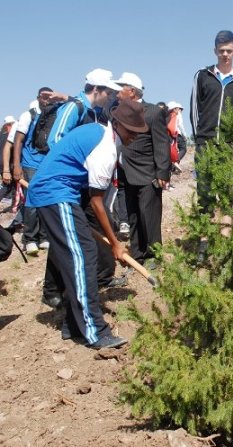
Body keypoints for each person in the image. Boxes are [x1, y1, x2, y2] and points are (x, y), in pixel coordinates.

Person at [26, 100, 148, 349]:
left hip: (61, 192)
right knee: (82, 257)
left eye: (139, 132)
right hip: (56, 193)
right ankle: (95, 331)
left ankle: (73, 325)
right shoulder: (106, 149)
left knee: (79, 256)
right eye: (132, 131)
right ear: (119, 125)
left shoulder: (98, 131)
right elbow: (97, 203)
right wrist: (115, 244)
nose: (135, 137)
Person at [41, 69, 125, 308]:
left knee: (95, 226)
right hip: (65, 184)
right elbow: (55, 142)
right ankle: (52, 290)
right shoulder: (74, 108)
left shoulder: (93, 112)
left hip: (84, 185)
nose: (110, 96)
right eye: (108, 92)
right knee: (66, 237)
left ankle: (100, 277)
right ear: (96, 90)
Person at [115, 72, 171, 267]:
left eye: (120, 88)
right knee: (133, 215)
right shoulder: (119, 112)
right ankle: (138, 253)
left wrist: (163, 172)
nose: (116, 92)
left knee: (149, 216)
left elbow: (162, 143)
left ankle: (154, 255)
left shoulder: (153, 112)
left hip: (148, 173)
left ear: (131, 91)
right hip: (126, 172)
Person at [190, 30, 233, 214]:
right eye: (221, 50)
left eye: (229, 51)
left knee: (228, 192)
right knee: (205, 192)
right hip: (205, 143)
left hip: (228, 146)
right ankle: (205, 237)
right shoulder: (202, 76)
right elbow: (194, 109)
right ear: (215, 51)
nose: (225, 54)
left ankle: (225, 234)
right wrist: (199, 139)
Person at [12, 87, 54, 255]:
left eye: (50, 98)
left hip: (47, 164)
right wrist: (16, 165)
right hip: (30, 163)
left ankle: (44, 237)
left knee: (47, 200)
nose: (47, 101)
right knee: (32, 201)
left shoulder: (53, 116)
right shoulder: (28, 115)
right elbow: (18, 140)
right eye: (44, 97)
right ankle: (30, 239)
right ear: (38, 97)